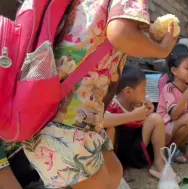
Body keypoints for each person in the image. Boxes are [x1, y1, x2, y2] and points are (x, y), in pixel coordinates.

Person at [22, 1, 177, 188]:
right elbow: (121, 34)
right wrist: (162, 49)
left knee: (114, 172)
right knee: (101, 182)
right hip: (64, 118)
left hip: (76, 116)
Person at [104, 65, 178, 181]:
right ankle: (109, 171)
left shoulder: (138, 104)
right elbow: (101, 121)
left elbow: (141, 127)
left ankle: (159, 164)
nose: (145, 93)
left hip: (134, 150)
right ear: (128, 91)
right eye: (143, 89)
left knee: (156, 118)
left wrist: (147, 113)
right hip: (117, 152)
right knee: (110, 128)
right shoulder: (112, 104)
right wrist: (132, 116)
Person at [157, 48, 188, 163]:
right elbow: (174, 115)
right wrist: (186, 95)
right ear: (174, 70)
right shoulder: (168, 88)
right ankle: (171, 148)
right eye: (187, 68)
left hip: (178, 126)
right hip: (164, 130)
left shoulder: (187, 88)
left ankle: (179, 146)